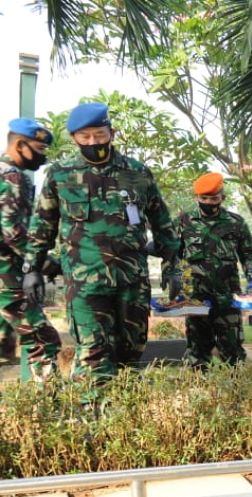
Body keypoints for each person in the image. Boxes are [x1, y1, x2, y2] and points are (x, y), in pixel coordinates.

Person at [27, 102, 178, 380]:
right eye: (85, 137)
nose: (93, 142)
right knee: (93, 357)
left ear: (112, 132)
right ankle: (92, 419)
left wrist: (173, 264)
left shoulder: (137, 173)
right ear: (74, 138)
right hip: (85, 284)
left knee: (130, 356)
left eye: (99, 134)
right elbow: (42, 225)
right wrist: (33, 268)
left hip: (132, 282)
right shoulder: (60, 175)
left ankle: (123, 420)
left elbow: (162, 222)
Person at [165, 172, 252, 367]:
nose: (209, 202)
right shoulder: (183, 222)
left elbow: (250, 255)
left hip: (227, 297)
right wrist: (172, 282)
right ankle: (200, 391)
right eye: (203, 198)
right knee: (197, 350)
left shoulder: (236, 223)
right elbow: (172, 254)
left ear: (222, 197)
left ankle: (237, 391)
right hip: (195, 296)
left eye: (214, 198)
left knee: (233, 350)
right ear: (196, 198)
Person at [0, 117, 61, 381]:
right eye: (39, 149)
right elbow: (12, 231)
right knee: (43, 340)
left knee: (5, 344)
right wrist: (43, 263)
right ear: (21, 145)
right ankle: (46, 413)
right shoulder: (12, 177)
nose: (43, 157)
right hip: (6, 276)